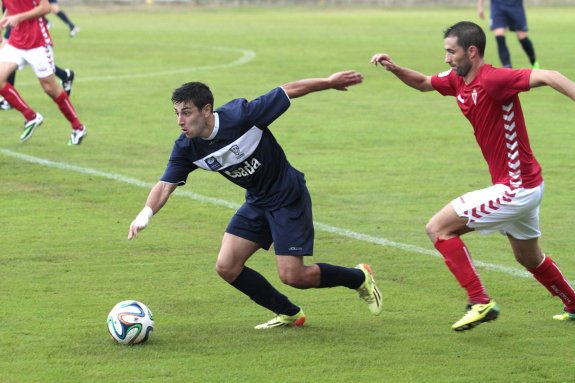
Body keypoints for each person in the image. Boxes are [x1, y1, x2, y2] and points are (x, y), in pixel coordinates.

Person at [127, 71, 383, 329]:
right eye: (176, 113)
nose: (180, 121)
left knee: (294, 276)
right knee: (227, 266)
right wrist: (144, 214)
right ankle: (289, 313)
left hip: (287, 197)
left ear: (206, 110)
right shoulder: (187, 148)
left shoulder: (242, 116)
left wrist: (328, 83)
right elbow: (165, 185)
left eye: (186, 112)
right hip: (257, 202)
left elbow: (287, 89)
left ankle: (359, 277)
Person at [371, 21, 575, 331]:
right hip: (524, 186)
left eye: (451, 52)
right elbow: (424, 82)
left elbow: (550, 75)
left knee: (438, 228)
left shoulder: (495, 79)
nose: (446, 59)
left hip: (516, 188)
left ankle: (480, 301)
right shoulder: (458, 80)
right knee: (529, 259)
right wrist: (394, 67)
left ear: (472, 51)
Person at [0, 0, 86, 145]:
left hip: (38, 43)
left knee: (50, 89)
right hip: (16, 42)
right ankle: (31, 116)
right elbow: (11, 7)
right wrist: (2, 23)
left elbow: (45, 8)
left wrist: (18, 17)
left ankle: (78, 127)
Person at [0, 18, 75, 111]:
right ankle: (64, 75)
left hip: (25, 27)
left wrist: (16, 17)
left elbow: (43, 7)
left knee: (11, 57)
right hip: (15, 25)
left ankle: (10, 101)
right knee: (13, 58)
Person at [477, 0, 539, 69]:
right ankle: (507, 68)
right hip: (497, 5)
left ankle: (534, 62)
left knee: (522, 37)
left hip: (515, 5)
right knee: (499, 36)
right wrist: (480, 6)